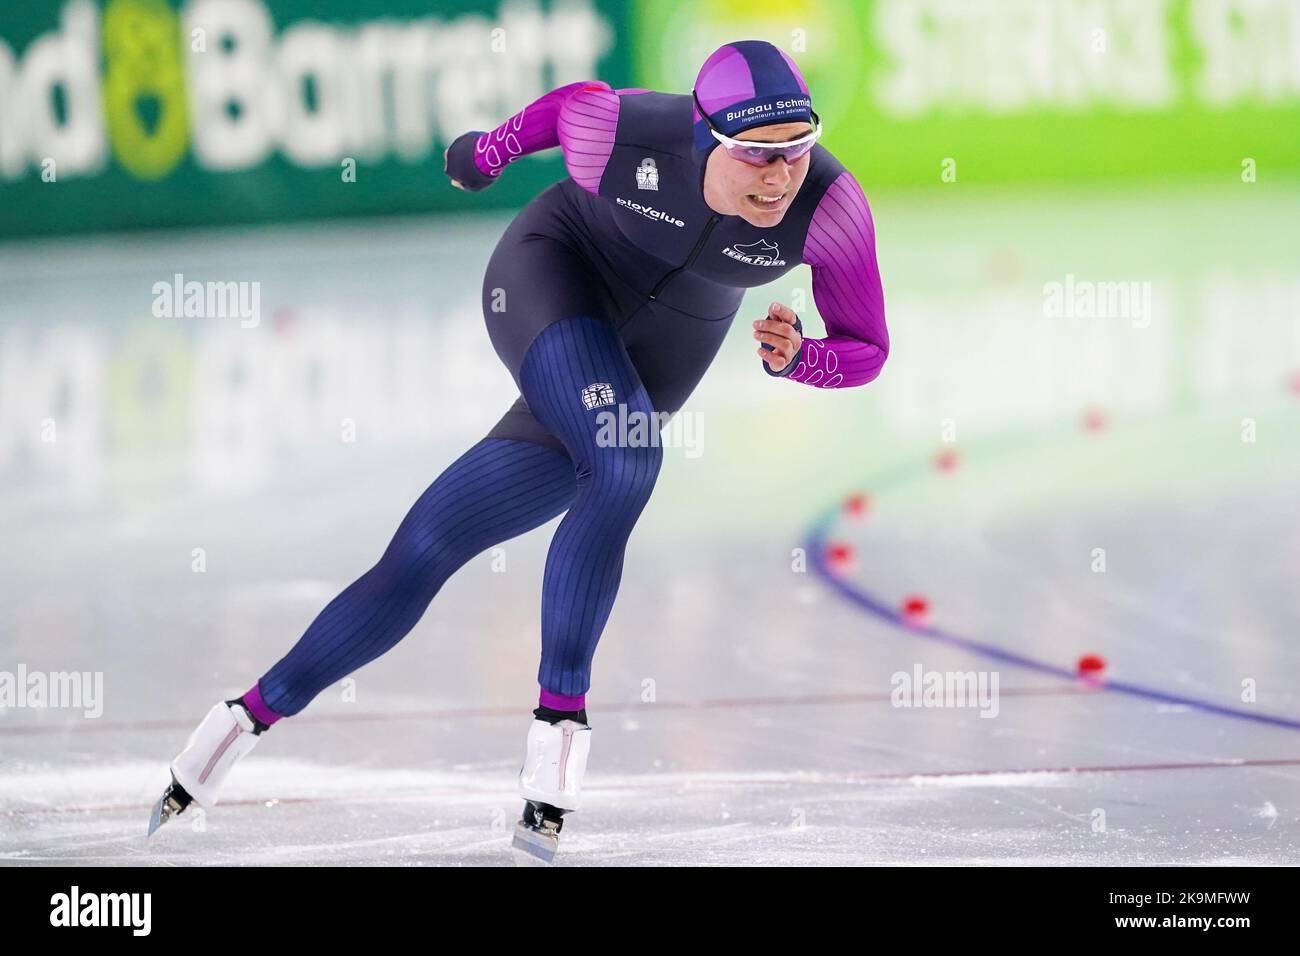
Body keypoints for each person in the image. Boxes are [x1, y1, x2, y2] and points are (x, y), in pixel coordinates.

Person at [150, 39, 889, 862]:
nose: (780, 176)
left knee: (434, 540)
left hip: (668, 348)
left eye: (795, 150)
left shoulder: (831, 207)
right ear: (702, 137)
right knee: (626, 454)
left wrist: (804, 360)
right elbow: (568, 104)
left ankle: (236, 723)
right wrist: (487, 153)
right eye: (756, 155)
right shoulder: (630, 134)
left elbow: (867, 348)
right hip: (553, 275)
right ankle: (559, 727)